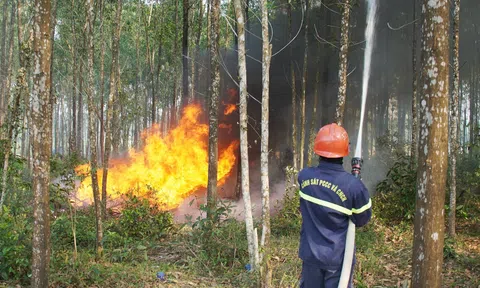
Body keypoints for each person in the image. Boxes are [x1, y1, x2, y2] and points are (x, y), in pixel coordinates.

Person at [297, 123, 372, 288]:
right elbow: (362, 219)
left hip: (310, 255)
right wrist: (355, 183)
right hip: (337, 261)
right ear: (345, 151)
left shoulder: (304, 177)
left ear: (317, 149)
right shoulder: (352, 186)